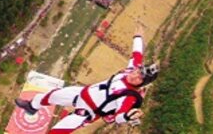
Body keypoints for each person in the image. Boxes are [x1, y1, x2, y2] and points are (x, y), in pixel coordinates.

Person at [14, 34, 159, 131]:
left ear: (141, 84)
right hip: (82, 93)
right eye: (137, 72)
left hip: (87, 111)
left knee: (58, 130)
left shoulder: (130, 96)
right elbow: (137, 55)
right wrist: (138, 36)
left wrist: (128, 116)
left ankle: (33, 107)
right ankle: (32, 106)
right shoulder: (130, 71)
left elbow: (119, 116)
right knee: (49, 96)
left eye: (139, 78)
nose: (135, 76)